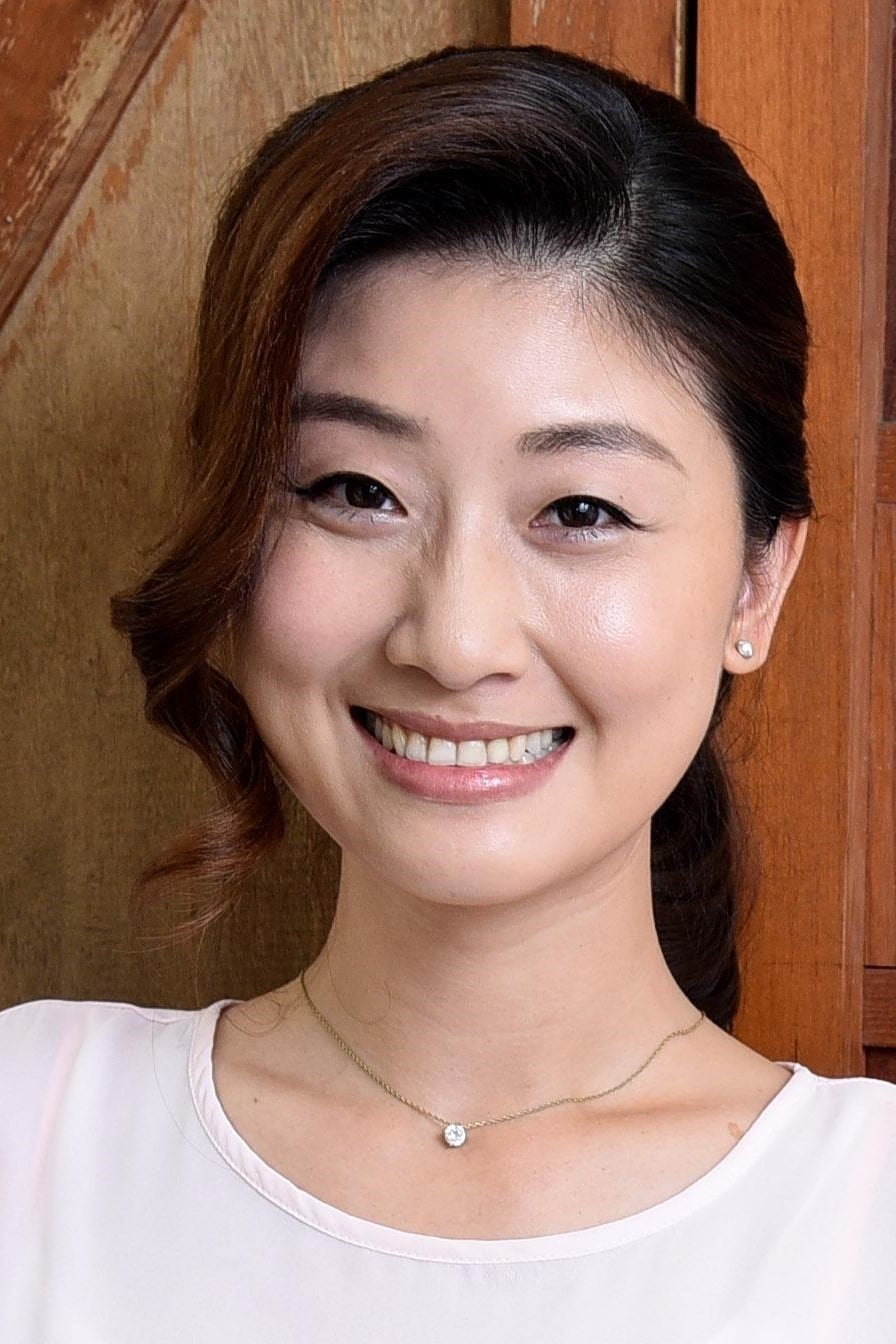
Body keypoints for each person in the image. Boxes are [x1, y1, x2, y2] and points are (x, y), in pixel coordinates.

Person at [1, 43, 894, 1343]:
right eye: (355, 491)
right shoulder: (32, 1135)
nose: (457, 639)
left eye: (580, 510)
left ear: (757, 583)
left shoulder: (868, 1220)